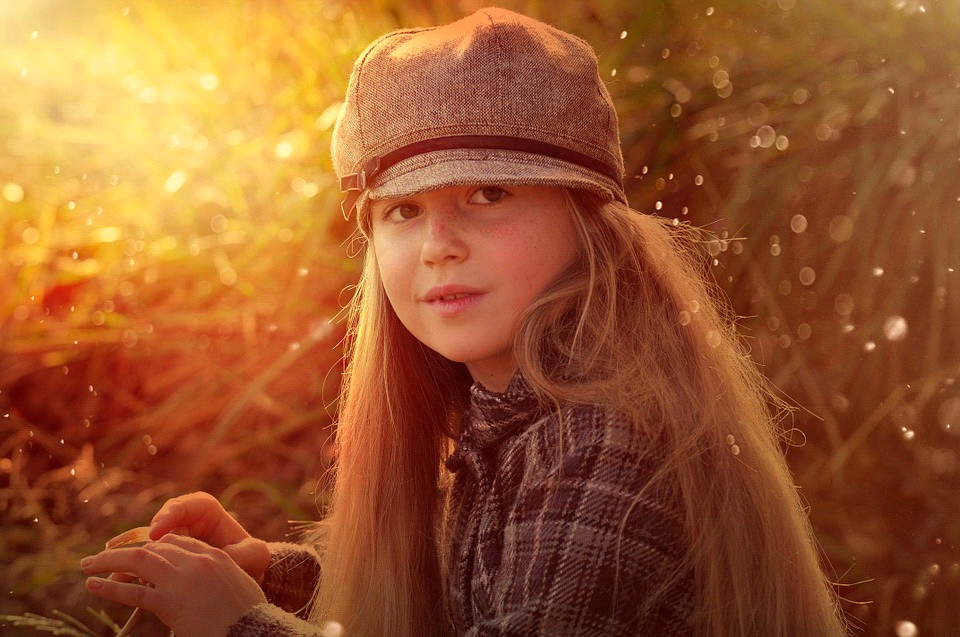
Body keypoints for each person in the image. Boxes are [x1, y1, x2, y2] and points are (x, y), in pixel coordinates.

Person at [80, 7, 849, 637]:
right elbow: (479, 592)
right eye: (404, 210)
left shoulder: (599, 442)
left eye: (488, 194)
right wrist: (268, 572)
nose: (439, 247)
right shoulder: (514, 413)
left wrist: (240, 625)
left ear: (587, 219)